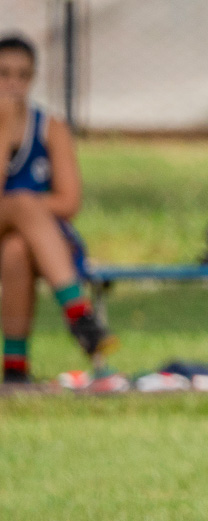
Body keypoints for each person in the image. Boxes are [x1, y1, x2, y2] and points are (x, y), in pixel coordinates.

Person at [0, 35, 120, 386]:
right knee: (23, 202)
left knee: (16, 249)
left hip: (39, 242)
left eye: (23, 75)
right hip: (25, 226)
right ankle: (79, 314)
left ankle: (15, 369)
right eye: (3, 74)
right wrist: (4, 132)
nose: (13, 84)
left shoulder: (50, 127)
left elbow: (69, 201)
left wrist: (26, 216)